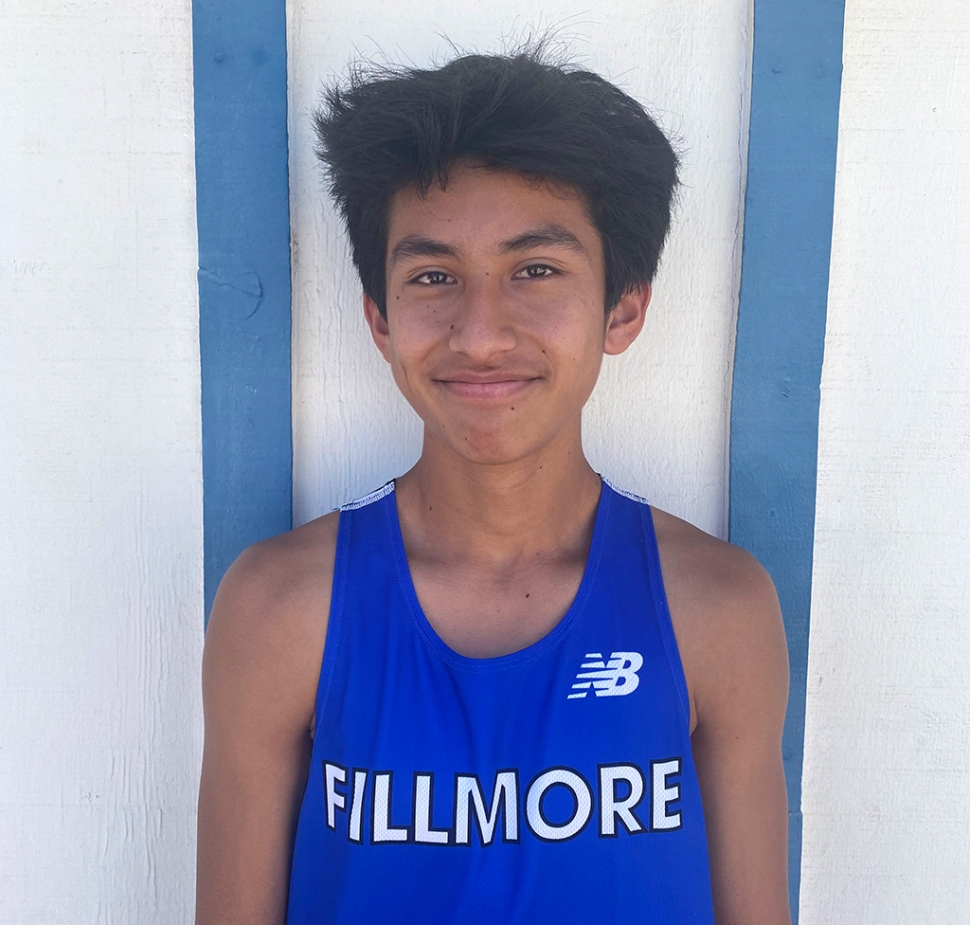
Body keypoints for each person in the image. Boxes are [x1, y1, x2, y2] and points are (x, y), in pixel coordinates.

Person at [196, 45, 791, 925]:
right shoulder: (282, 606)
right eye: (434, 276)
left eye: (535, 270)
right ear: (380, 319)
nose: (479, 333)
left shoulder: (715, 607)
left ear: (622, 308)